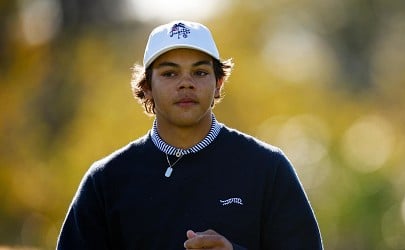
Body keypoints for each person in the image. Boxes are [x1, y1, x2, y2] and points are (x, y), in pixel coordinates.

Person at [57, 20, 323, 250]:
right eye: (170, 73)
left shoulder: (267, 168)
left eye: (200, 72)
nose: (186, 83)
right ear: (147, 87)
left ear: (218, 84)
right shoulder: (106, 181)